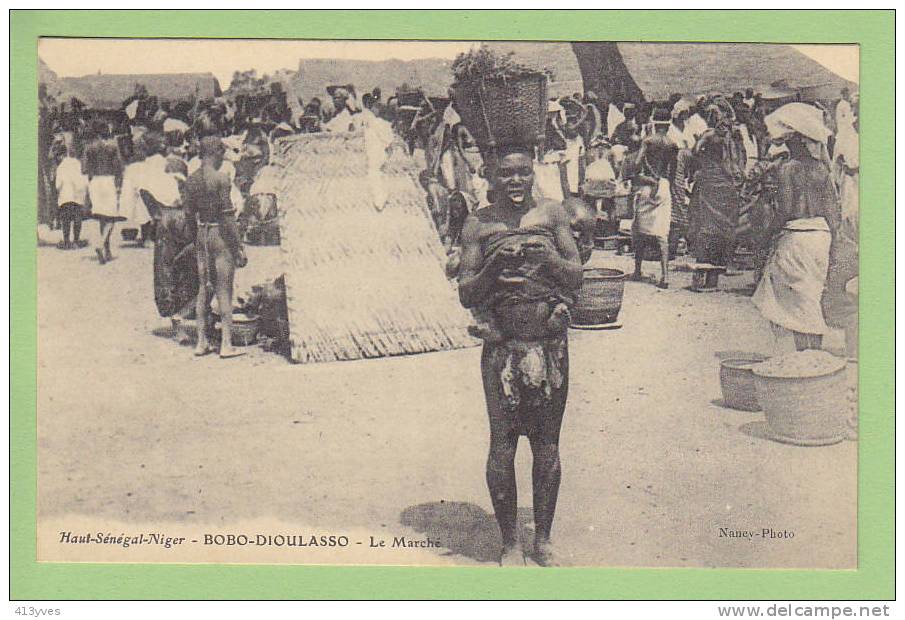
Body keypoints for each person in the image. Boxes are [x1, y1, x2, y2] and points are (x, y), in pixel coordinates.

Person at [457, 145, 583, 567]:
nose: (515, 181)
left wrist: (545, 254)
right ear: (490, 176)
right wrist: (494, 267)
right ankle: (510, 541)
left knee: (547, 445)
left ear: (533, 174)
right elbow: (466, 293)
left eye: (522, 173)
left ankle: (543, 540)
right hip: (502, 346)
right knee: (502, 446)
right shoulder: (478, 224)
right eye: (506, 173)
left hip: (549, 343)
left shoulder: (551, 215)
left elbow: (576, 275)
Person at [752, 117, 838, 352]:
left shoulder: (788, 169)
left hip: (797, 237)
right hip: (821, 236)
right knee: (811, 295)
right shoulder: (822, 170)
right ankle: (814, 356)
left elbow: (786, 210)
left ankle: (805, 355)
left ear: (798, 141)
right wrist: (834, 244)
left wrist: (766, 236)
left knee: (795, 301)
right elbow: (833, 212)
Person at [183, 136, 248, 359]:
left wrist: (195, 240)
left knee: (203, 289)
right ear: (216, 153)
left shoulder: (191, 180)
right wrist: (238, 246)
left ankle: (201, 342)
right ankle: (226, 344)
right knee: (224, 290)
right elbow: (228, 217)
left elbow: (189, 215)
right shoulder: (221, 179)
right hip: (219, 234)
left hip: (202, 233)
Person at [688, 105, 743, 267]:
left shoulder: (710, 135)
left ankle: (706, 256)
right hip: (726, 180)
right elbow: (736, 159)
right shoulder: (732, 136)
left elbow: (695, 151)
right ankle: (723, 257)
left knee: (706, 219)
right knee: (725, 220)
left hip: (710, 179)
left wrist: (704, 154)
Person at [630, 108, 677, 288]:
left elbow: (636, 164)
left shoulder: (648, 141)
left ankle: (637, 270)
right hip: (664, 186)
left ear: (654, 122)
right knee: (662, 233)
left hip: (647, 185)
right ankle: (664, 276)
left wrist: (647, 175)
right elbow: (672, 172)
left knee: (641, 230)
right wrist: (666, 186)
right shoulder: (672, 144)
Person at [82, 120, 124, 265]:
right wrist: (119, 185)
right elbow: (118, 167)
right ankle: (101, 243)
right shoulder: (113, 147)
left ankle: (107, 249)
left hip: (94, 182)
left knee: (101, 217)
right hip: (108, 180)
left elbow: (84, 168)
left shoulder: (89, 147)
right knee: (111, 217)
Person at [54, 137, 89, 249]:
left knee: (66, 219)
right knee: (77, 218)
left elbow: (57, 184)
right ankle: (76, 240)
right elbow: (84, 180)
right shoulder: (78, 164)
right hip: (77, 196)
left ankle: (66, 241)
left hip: (65, 196)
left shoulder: (61, 166)